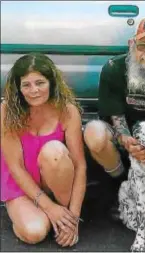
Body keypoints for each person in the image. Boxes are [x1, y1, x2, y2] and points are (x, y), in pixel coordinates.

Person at [83, 18, 145, 218]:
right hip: (119, 135)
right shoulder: (113, 68)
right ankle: (117, 183)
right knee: (94, 133)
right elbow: (114, 116)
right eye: (142, 45)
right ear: (131, 45)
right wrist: (126, 139)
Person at [1, 53, 87, 247]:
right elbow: (15, 167)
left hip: (53, 180)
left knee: (54, 151)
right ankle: (42, 213)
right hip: (21, 184)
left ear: (52, 82)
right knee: (35, 233)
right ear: (18, 88)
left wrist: (73, 220)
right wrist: (49, 207)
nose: (34, 91)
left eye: (40, 83)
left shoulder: (67, 110)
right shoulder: (7, 111)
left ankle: (62, 216)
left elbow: (80, 166)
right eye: (26, 85)